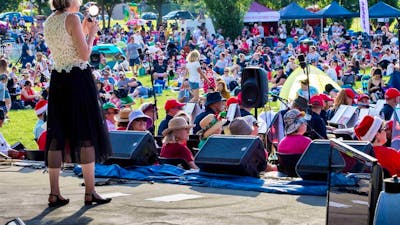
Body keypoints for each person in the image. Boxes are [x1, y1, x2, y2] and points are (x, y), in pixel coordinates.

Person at [44, 0, 111, 207]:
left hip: (59, 79)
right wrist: (92, 33)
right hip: (78, 79)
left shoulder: (49, 21)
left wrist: (84, 27)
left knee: (56, 133)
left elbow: (68, 42)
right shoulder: (72, 18)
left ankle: (54, 192)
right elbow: (83, 54)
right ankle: (90, 191)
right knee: (86, 133)